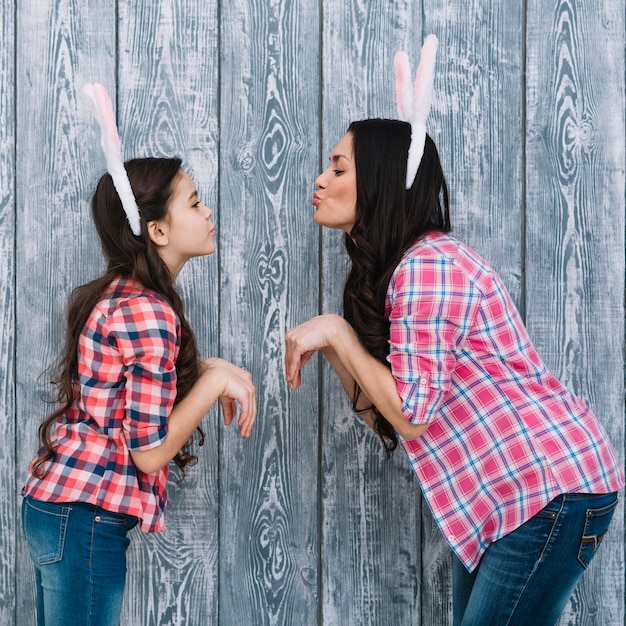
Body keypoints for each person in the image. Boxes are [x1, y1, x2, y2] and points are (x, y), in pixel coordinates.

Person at [284, 117, 624, 625]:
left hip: (547, 491)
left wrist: (336, 331)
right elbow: (386, 417)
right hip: (515, 502)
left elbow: (412, 416)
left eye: (338, 167)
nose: (320, 179)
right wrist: (339, 349)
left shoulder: (428, 267)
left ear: (381, 178)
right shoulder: (405, 269)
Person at [22, 155, 257, 626]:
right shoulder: (149, 312)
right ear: (158, 231)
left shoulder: (121, 296)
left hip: (61, 509)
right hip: (85, 518)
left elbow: (119, 391)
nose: (208, 212)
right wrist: (212, 382)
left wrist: (208, 367)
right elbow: (148, 453)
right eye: (194, 203)